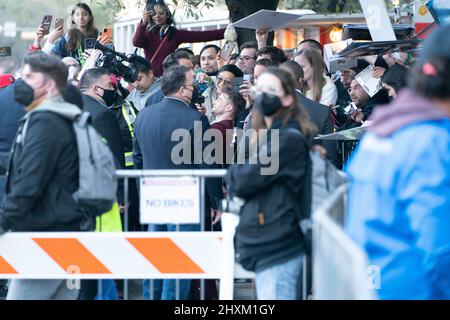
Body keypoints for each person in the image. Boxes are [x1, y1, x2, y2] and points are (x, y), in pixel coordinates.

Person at [345, 25, 450, 299]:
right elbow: (438, 244)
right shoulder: (432, 141)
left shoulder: (385, 129)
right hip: (418, 288)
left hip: (376, 281)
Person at [0, 52, 85, 300]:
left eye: (27, 77)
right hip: (62, 233)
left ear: (47, 85)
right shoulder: (56, 116)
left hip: (45, 238)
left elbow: (30, 182)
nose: (20, 82)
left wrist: (3, 221)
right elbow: (35, 164)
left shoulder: (46, 121)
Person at [224, 67, 315, 300]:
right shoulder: (267, 135)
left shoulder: (286, 139)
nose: (264, 95)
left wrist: (235, 173)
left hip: (279, 242)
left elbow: (242, 180)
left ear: (287, 98)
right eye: (260, 88)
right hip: (268, 239)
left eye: (271, 90)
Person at [133, 65, 222, 300]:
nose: (195, 90)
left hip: (153, 194)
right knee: (180, 259)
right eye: (193, 86)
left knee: (156, 257)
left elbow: (137, 157)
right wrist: (216, 200)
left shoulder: (143, 115)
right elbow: (207, 162)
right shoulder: (195, 117)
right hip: (184, 197)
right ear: (183, 91)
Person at [132, 0, 227, 77]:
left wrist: (226, 31)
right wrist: (143, 22)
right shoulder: (147, 33)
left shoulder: (174, 34)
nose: (157, 16)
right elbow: (136, 42)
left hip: (167, 78)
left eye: (161, 13)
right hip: (150, 78)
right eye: (153, 14)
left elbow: (201, 35)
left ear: (167, 15)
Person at [280, 60, 338, 167]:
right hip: (310, 179)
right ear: (302, 82)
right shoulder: (322, 112)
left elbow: (251, 155)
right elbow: (330, 159)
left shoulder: (262, 109)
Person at [210, 91, 245, 168]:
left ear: (229, 108)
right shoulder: (225, 128)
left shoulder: (218, 129)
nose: (214, 102)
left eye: (219, 100)